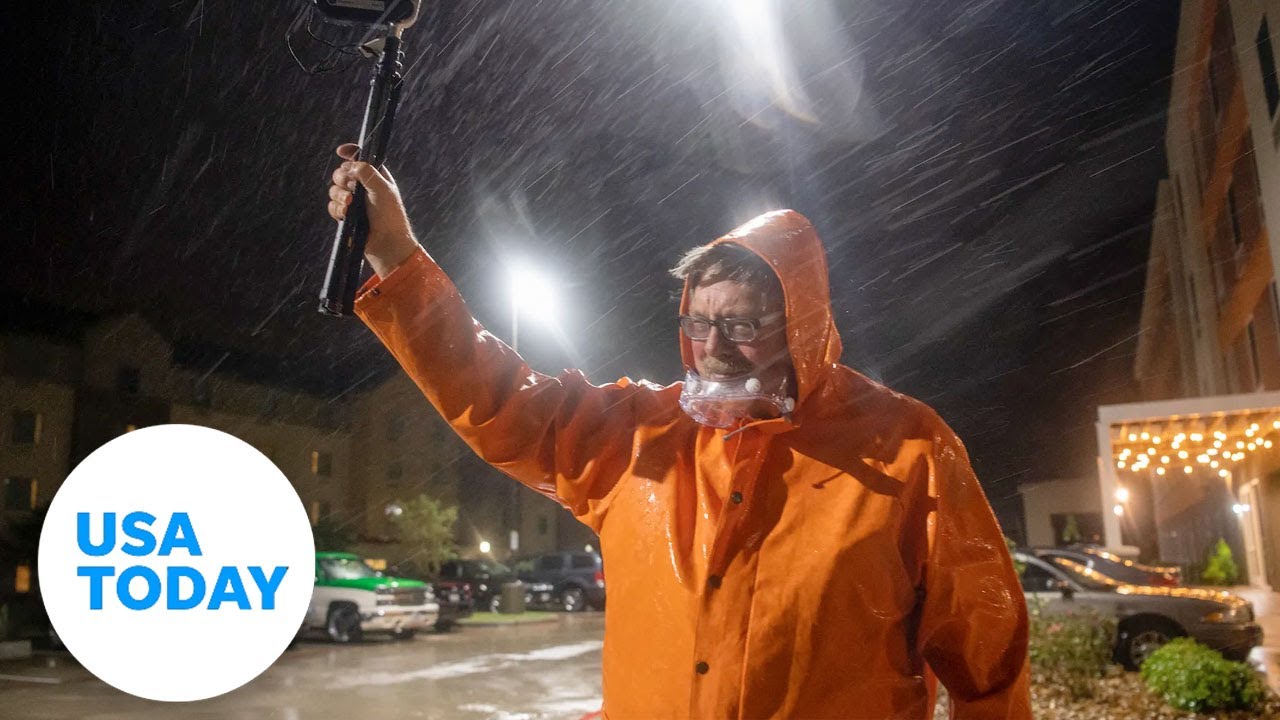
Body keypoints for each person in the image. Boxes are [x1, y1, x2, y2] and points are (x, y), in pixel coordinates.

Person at [326, 144, 1031, 718]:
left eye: (743, 324)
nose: (714, 346)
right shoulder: (639, 439)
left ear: (803, 327)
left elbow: (989, 672)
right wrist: (398, 257)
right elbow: (498, 398)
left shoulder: (909, 450)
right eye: (699, 322)